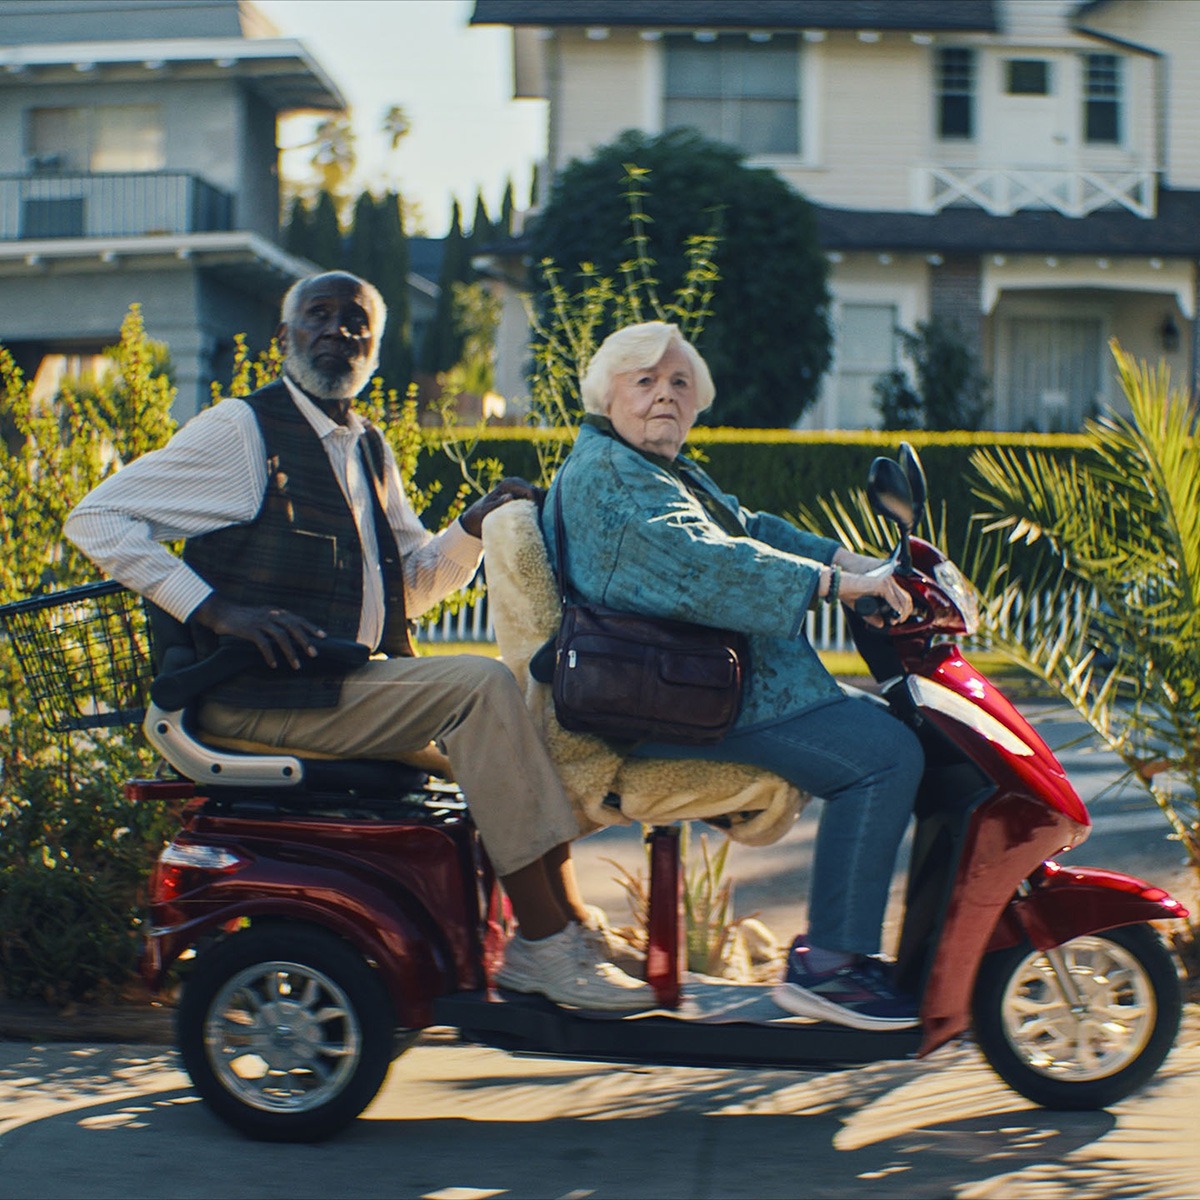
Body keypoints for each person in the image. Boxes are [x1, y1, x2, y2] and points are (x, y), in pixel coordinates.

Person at [64, 270, 652, 1013]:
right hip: (258, 695)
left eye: (356, 322)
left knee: (526, 730)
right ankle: (543, 946)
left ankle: (566, 929)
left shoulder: (366, 445)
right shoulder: (240, 432)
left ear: (373, 349)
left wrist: (471, 528)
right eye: (320, 316)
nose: (338, 331)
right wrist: (214, 611)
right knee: (479, 689)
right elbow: (96, 518)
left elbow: (404, 586)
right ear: (284, 338)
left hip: (332, 687)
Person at [542, 321, 925, 1031]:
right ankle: (833, 967)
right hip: (672, 699)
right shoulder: (607, 476)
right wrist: (832, 587)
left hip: (705, 685)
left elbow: (747, 527)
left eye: (679, 383)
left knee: (896, 728)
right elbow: (700, 564)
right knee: (888, 755)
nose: (664, 395)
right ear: (608, 394)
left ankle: (853, 953)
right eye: (645, 380)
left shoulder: (657, 468)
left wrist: (854, 564)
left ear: (696, 403)